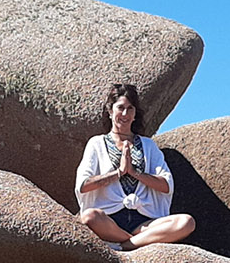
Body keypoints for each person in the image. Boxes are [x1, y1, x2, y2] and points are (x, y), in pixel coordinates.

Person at [74, 83, 195, 250]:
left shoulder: (148, 146)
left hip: (144, 221)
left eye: (130, 108)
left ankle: (126, 245)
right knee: (89, 217)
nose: (125, 113)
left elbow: (166, 185)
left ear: (135, 113)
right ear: (110, 111)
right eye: (120, 108)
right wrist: (118, 173)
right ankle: (135, 241)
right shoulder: (97, 143)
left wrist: (135, 173)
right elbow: (83, 185)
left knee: (186, 222)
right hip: (109, 219)